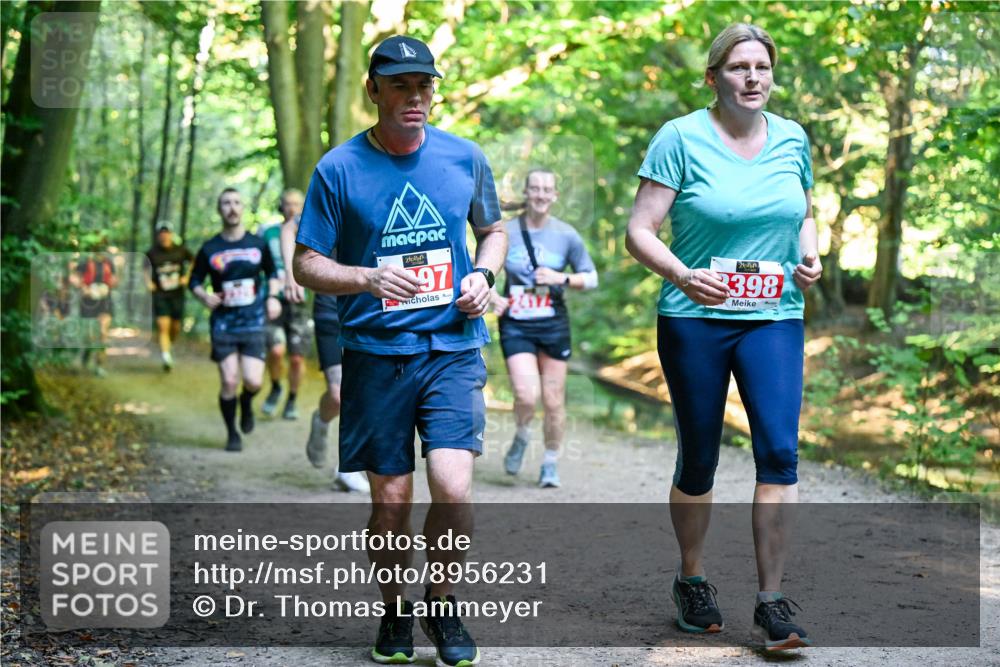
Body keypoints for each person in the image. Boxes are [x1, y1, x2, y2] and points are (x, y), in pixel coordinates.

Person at [293, 35, 506, 667]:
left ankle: (442, 604)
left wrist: (484, 279)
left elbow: (492, 231)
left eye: (424, 86)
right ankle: (394, 610)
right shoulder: (338, 168)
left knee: (452, 487)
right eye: (400, 86)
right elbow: (306, 264)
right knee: (390, 501)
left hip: (452, 347)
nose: (415, 97)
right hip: (375, 352)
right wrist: (366, 277)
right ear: (374, 90)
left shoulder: (465, 158)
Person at [625, 23, 821, 652]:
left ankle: (771, 601)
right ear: (714, 77)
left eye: (762, 67)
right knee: (701, 458)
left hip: (774, 315)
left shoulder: (792, 138)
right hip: (694, 317)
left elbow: (804, 212)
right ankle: (692, 580)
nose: (753, 78)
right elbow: (641, 231)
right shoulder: (679, 138)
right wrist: (685, 274)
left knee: (779, 455)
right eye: (739, 67)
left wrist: (811, 256)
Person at [491, 168, 598, 488]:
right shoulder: (505, 231)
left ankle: (550, 463)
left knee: (553, 400)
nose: (540, 194)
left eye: (546, 189)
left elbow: (590, 278)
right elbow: (477, 267)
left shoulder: (566, 235)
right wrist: (492, 295)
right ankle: (522, 436)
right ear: (526, 193)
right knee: (526, 394)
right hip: (516, 322)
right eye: (534, 188)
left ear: (555, 196)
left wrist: (560, 278)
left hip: (552, 323)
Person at [279, 193, 370, 493]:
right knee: (338, 393)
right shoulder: (331, 194)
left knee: (367, 392)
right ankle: (321, 421)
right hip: (330, 306)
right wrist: (291, 273)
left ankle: (349, 468)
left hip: (371, 305)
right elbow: (289, 228)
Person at [190, 188, 280, 452]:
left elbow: (273, 273)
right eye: (226, 203)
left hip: (253, 319)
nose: (231, 207)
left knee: (253, 382)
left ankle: (246, 403)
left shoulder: (257, 244)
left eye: (236, 202)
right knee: (229, 380)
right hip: (224, 322)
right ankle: (232, 433)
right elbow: (194, 280)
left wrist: (273, 297)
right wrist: (203, 297)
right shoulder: (210, 248)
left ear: (243, 208)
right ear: (219, 209)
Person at [259, 189, 313, 420]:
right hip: (273, 298)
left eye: (297, 204)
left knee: (297, 357)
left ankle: (291, 399)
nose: (292, 208)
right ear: (281, 206)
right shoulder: (267, 232)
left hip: (300, 302)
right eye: (288, 204)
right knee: (276, 349)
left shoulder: (311, 231)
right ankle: (275, 387)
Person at [145, 222, 194, 371]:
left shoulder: (181, 250)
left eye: (166, 232)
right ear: (158, 235)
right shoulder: (152, 252)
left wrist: (187, 277)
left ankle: (168, 345)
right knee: (163, 326)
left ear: (171, 234)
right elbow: (144, 268)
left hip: (177, 294)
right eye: (161, 232)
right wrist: (148, 282)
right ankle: (166, 356)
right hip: (160, 294)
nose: (164, 235)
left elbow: (194, 261)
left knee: (175, 327)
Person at [72, 247, 117, 377]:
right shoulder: (85, 262)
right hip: (88, 303)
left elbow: (114, 280)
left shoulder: (109, 263)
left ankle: (99, 366)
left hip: (105, 302)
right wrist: (83, 288)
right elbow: (74, 277)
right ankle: (86, 353)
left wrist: (112, 283)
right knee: (91, 336)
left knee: (103, 334)